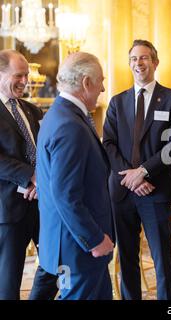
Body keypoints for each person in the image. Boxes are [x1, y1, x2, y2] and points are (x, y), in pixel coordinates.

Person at [103, 40, 171, 300]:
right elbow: (108, 143)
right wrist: (132, 177)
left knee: (162, 257)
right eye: (133, 59)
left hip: (156, 190)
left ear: (155, 62)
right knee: (127, 255)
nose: (138, 63)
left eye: (144, 58)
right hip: (123, 192)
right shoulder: (117, 101)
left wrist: (144, 172)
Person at [36, 52, 114, 300]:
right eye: (101, 80)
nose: (102, 87)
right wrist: (93, 239)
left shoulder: (58, 114)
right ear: (86, 82)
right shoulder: (70, 125)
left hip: (72, 245)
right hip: (77, 248)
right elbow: (65, 195)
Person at [0, 50, 57, 300]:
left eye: (27, 75)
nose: (25, 81)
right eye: (19, 75)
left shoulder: (32, 110)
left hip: (42, 204)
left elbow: (45, 152)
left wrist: (41, 179)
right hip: (9, 209)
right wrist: (31, 176)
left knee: (56, 264)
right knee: (8, 281)